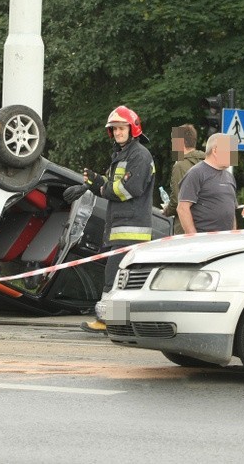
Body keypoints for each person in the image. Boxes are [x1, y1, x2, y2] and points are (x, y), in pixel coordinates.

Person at [80, 106, 155, 333]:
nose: (118, 132)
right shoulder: (123, 155)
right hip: (119, 227)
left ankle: (109, 321)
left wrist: (101, 188)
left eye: (122, 128)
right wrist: (95, 181)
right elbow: (113, 184)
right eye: (114, 129)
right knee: (119, 277)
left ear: (133, 129)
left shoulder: (140, 155)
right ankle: (117, 322)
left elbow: (128, 189)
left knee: (115, 277)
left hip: (130, 230)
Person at [176, 132, 237, 233]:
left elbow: (231, 211)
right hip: (204, 240)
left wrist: (233, 234)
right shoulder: (196, 173)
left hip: (226, 241)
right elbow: (182, 208)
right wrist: (193, 237)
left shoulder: (229, 176)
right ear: (215, 151)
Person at [162, 124, 205, 234]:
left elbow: (178, 200)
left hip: (185, 226)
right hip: (204, 223)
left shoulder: (180, 165)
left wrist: (165, 212)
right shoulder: (206, 162)